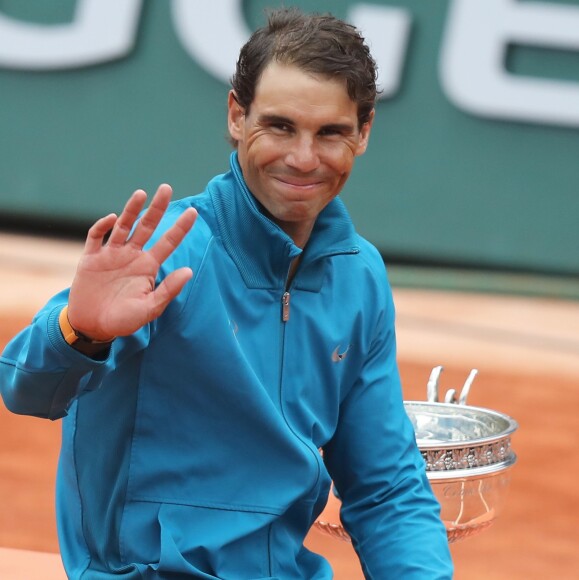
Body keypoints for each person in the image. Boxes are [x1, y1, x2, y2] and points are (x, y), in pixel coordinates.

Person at [0, 8, 453, 579]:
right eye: (280, 126)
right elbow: (28, 390)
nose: (303, 158)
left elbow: (386, 487)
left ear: (363, 132)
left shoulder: (359, 277)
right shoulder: (169, 251)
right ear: (238, 116)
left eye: (330, 133)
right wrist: (79, 332)